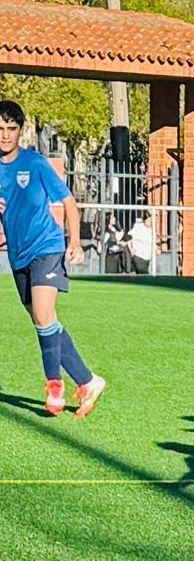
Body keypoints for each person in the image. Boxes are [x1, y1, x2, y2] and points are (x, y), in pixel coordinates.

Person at [0, 100, 108, 417]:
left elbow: (70, 202)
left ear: (20, 131)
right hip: (19, 256)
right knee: (44, 322)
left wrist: (74, 241)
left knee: (45, 315)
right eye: (0, 129)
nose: (5, 135)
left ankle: (54, 386)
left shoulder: (34, 163)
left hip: (47, 247)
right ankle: (88, 381)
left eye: (11, 129)